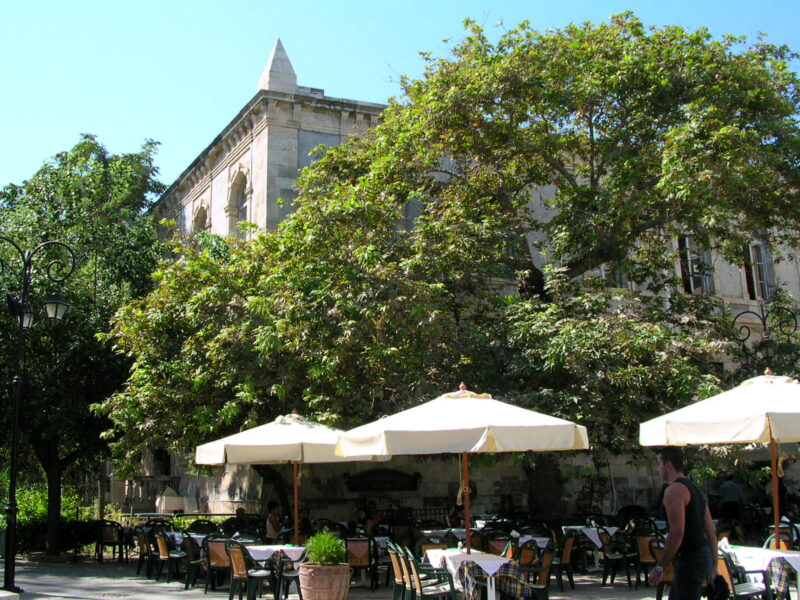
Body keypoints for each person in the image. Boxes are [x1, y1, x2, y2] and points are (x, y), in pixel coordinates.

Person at [648, 447, 718, 600]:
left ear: (668, 465)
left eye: (659, 464)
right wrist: (715, 565)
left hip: (689, 558)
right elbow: (710, 530)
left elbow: (677, 532)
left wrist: (660, 567)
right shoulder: (695, 489)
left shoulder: (674, 490)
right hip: (702, 555)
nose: (657, 469)